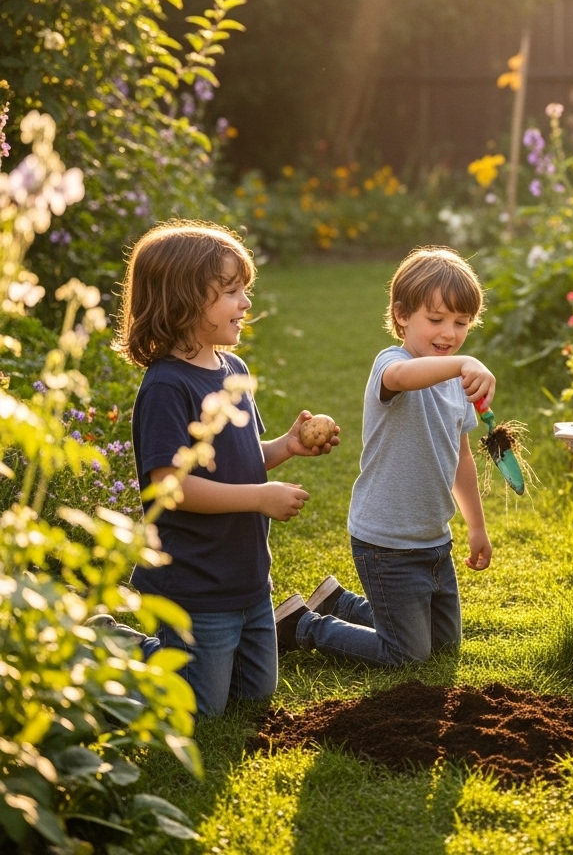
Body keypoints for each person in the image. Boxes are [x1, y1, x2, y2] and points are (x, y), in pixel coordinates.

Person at [111, 220, 339, 717]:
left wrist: (286, 445)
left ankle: (205, 657)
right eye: (232, 292)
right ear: (185, 302)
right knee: (199, 706)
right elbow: (171, 486)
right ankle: (115, 642)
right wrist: (260, 498)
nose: (246, 303)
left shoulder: (232, 370)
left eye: (245, 290)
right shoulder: (168, 387)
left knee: (256, 692)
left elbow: (241, 457)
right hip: (195, 584)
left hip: (247, 579)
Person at [273, 246, 494, 666]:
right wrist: (463, 362)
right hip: (386, 543)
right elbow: (401, 378)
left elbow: (462, 458)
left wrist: (476, 527)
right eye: (436, 319)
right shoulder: (392, 364)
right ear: (401, 315)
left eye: (461, 323)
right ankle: (302, 624)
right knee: (407, 656)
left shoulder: (454, 381)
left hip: (433, 540)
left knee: (444, 647)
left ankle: (338, 602)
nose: (449, 333)